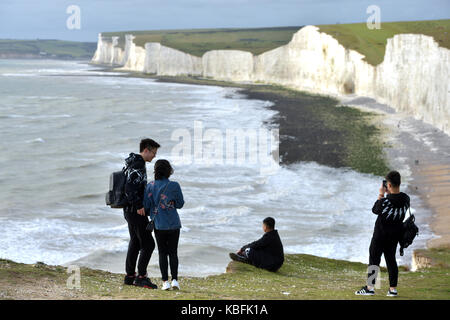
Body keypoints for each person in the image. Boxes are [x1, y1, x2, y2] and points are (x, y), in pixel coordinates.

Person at [355, 170, 410, 297]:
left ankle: (370, 288)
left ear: (389, 185)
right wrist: (389, 194)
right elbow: (397, 204)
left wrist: (381, 195)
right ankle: (392, 290)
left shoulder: (385, 201)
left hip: (380, 236)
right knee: (391, 261)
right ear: (399, 183)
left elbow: (375, 210)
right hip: (395, 236)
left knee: (374, 260)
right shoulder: (406, 199)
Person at [123, 138, 160, 289]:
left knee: (135, 241)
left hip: (128, 210)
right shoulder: (138, 164)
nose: (154, 156)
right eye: (153, 152)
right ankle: (141, 277)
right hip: (135, 210)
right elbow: (129, 188)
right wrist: (138, 205)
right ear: (146, 150)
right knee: (148, 243)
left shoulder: (131, 161)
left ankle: (130, 275)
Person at [144, 159, 184, 290]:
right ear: (169, 171)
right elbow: (180, 204)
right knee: (173, 252)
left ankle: (165, 282)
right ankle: (175, 280)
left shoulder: (150, 185)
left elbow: (147, 206)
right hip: (174, 223)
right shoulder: (174, 185)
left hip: (159, 224)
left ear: (156, 171)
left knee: (162, 253)